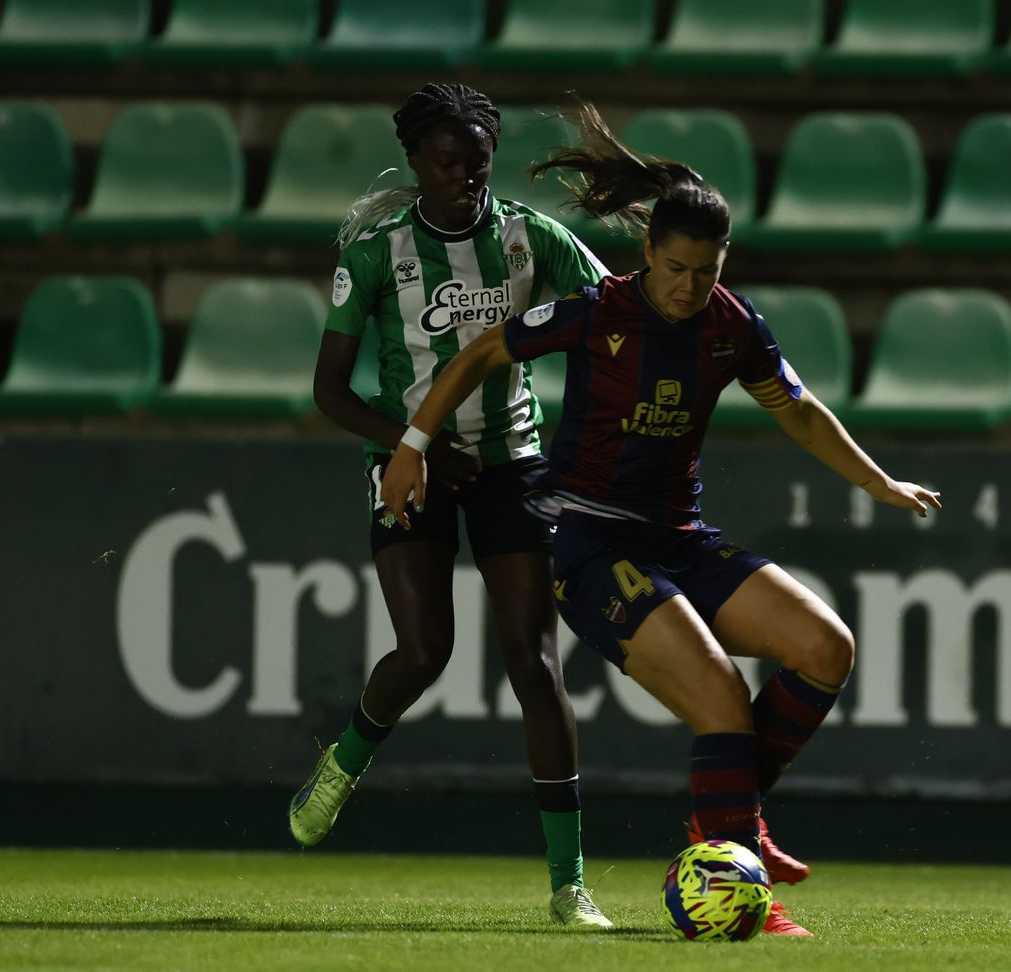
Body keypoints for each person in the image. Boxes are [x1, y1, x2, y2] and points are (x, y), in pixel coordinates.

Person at [380, 102, 943, 937]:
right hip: (592, 547)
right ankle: (742, 878)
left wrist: (878, 481)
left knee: (827, 647)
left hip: (679, 539)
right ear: (648, 251)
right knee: (719, 694)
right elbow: (479, 352)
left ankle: (729, 817)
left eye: (705, 270)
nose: (688, 286)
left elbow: (798, 409)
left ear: (724, 262)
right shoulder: (599, 311)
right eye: (675, 267)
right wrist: (413, 445)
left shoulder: (732, 326)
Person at [288, 83, 614, 930]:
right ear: (416, 163)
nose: (466, 177)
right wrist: (411, 443)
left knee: (534, 663)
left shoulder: (530, 238)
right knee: (425, 650)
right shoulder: (375, 252)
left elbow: (617, 317)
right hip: (413, 465)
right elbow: (330, 389)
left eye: (478, 161)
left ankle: (568, 886)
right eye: (448, 162)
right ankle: (346, 759)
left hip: (514, 464)